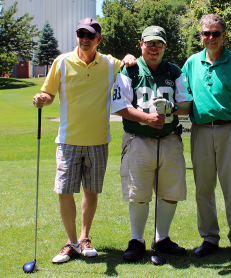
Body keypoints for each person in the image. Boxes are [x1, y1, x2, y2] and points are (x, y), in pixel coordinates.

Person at [32, 17, 136, 264]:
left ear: (98, 39)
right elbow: (48, 93)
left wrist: (130, 57)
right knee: (64, 190)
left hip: (98, 140)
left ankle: (85, 237)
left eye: (90, 35)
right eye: (81, 34)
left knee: (91, 190)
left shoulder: (110, 64)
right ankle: (71, 242)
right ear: (76, 36)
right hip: (68, 140)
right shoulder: (62, 62)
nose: (85, 39)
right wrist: (42, 98)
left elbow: (129, 62)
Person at [111, 26, 193, 262]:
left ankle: (162, 238)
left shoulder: (174, 71)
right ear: (141, 45)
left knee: (170, 191)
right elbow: (119, 106)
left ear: (165, 46)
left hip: (169, 139)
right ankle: (137, 240)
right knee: (138, 193)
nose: (154, 48)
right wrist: (146, 118)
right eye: (149, 43)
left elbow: (187, 104)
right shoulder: (130, 69)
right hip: (138, 140)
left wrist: (174, 108)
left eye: (158, 43)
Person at [182, 14, 231, 258]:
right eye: (206, 33)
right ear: (201, 35)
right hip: (200, 131)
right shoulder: (192, 62)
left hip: (230, 130)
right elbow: (182, 96)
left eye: (215, 33)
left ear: (224, 35)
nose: (210, 38)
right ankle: (210, 238)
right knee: (203, 188)